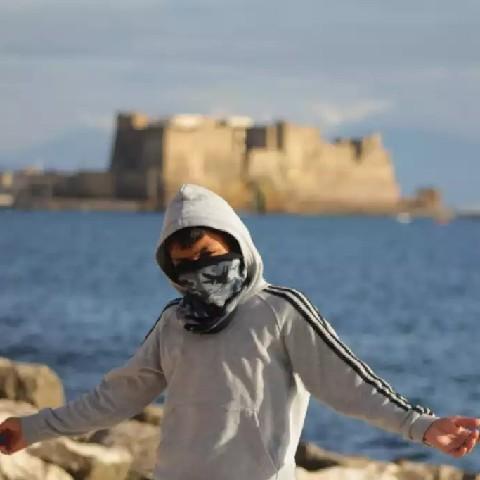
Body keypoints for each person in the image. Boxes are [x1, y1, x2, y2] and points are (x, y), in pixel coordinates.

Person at [0, 183, 478, 480]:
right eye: (184, 265)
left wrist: (421, 426)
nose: (199, 271)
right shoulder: (174, 323)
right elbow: (116, 398)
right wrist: (32, 428)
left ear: (236, 245)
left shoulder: (280, 311)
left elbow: (348, 383)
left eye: (209, 256)